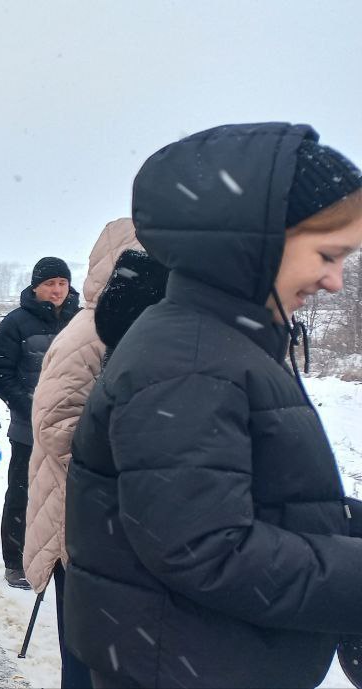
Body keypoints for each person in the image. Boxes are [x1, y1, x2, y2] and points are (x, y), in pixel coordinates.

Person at [66, 123, 362, 688]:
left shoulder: (224, 342)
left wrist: (346, 524)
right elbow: (205, 549)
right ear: (255, 242)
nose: (334, 280)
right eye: (328, 255)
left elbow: (251, 493)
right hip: (188, 667)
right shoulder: (190, 362)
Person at [22, 217, 150, 689]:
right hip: (81, 522)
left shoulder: (137, 327)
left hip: (109, 523)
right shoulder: (92, 331)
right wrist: (128, 471)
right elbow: (57, 425)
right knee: (89, 655)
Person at [0, 257, 79, 589]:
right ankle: (16, 561)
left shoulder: (82, 320)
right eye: (49, 283)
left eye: (62, 283)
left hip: (73, 429)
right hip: (29, 428)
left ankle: (62, 559)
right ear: (36, 287)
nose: (57, 290)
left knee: (68, 498)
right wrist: (32, 407)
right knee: (22, 495)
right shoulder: (17, 322)